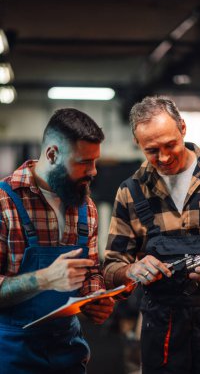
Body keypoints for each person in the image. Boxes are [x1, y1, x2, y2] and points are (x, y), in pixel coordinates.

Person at [103, 95, 200, 374]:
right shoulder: (131, 192)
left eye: (170, 144)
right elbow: (111, 267)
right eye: (152, 150)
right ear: (138, 144)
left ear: (183, 128)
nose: (164, 157)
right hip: (163, 335)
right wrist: (132, 269)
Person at [0, 108, 114, 374]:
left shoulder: (86, 207)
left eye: (95, 161)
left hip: (68, 352)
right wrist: (45, 278)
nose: (93, 171)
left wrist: (94, 298)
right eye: (84, 162)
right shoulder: (4, 204)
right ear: (52, 154)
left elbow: (91, 271)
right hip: (10, 354)